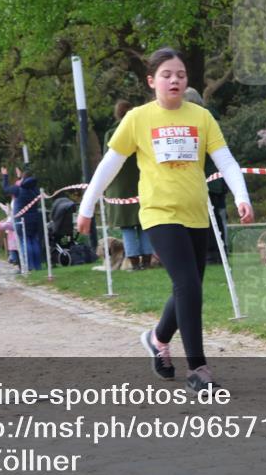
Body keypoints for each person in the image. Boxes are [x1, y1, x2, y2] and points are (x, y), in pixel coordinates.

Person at [77, 47, 254, 392]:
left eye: (181, 75)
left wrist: (242, 197)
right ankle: (198, 369)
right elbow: (109, 165)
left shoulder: (201, 117)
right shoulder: (138, 119)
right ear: (151, 81)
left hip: (196, 215)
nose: (175, 80)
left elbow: (227, 161)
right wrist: (86, 207)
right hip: (158, 214)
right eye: (167, 75)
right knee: (188, 285)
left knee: (190, 287)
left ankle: (158, 340)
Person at [104, 100, 154, 271]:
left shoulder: (111, 133)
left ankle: (133, 263)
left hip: (120, 185)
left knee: (127, 226)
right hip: (141, 181)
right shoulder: (141, 130)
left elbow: (108, 161)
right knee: (144, 224)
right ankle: (147, 261)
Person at [183, 88, 229, 264]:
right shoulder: (211, 119)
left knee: (211, 217)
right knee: (215, 216)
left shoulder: (203, 121)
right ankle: (216, 252)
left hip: (209, 178)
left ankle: (212, 253)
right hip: (215, 178)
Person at [0, 165, 43, 272]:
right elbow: (25, 184)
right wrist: (20, 178)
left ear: (23, 179)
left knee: (25, 241)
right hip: (34, 219)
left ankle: (28, 266)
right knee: (34, 241)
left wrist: (5, 175)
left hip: (21, 220)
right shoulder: (36, 190)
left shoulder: (17, 189)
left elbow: (5, 189)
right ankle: (38, 266)